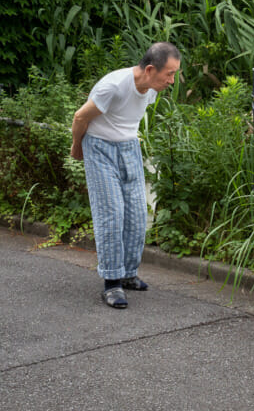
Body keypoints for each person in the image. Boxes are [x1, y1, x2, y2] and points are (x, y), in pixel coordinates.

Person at [70, 42, 181, 309]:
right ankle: (112, 283)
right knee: (112, 212)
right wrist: (77, 148)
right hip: (99, 147)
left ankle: (128, 274)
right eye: (169, 73)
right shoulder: (114, 86)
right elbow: (80, 116)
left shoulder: (152, 88)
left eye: (175, 74)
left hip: (129, 147)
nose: (172, 80)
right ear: (151, 69)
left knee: (136, 213)